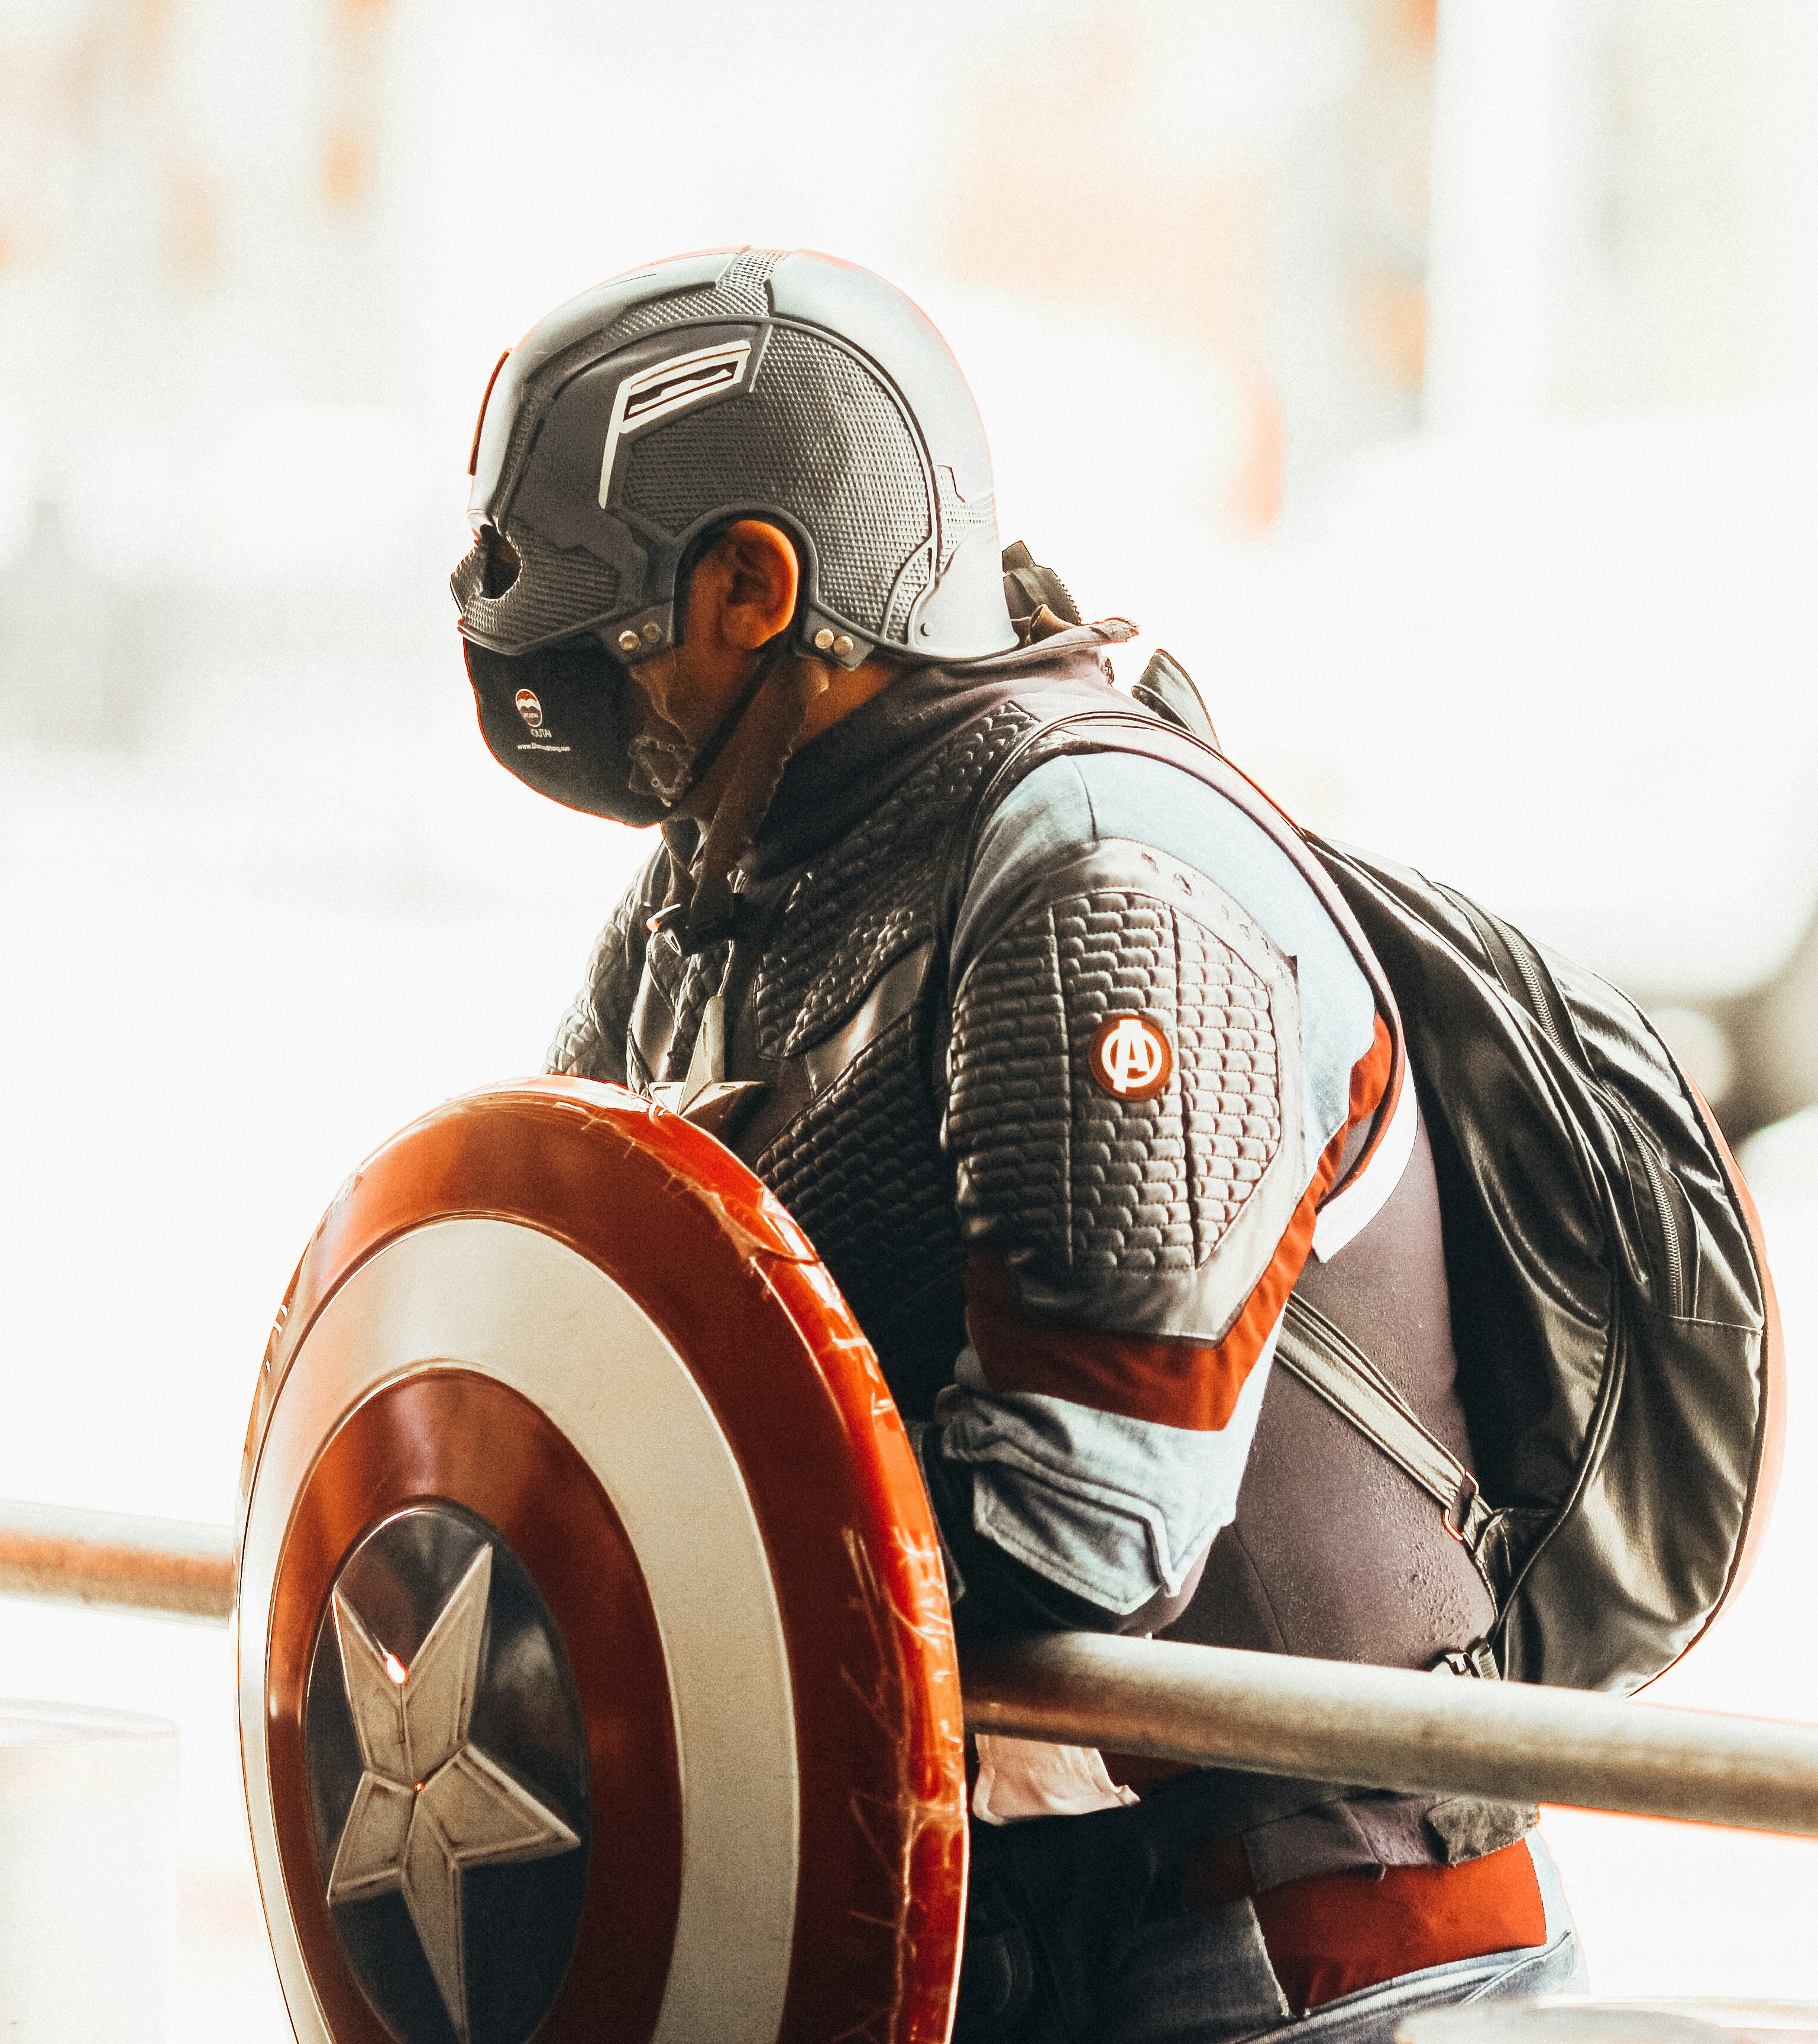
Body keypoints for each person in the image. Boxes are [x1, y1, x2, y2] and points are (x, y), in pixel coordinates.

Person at [454, 245, 1584, 2042]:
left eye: (582, 605)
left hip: (1295, 1950)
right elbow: (559, 1334)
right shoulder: (712, 898)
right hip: (1003, 1923)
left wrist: (602, 1632)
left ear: (753, 582)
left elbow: (1079, 1527)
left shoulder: (1097, 870)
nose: (522, 647)